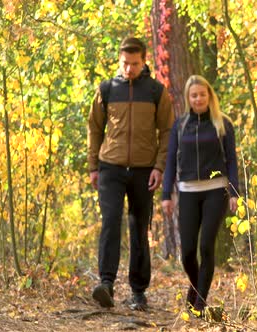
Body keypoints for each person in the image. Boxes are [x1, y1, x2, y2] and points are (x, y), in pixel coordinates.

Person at [87, 37, 173, 311]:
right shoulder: (107, 89)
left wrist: (159, 167)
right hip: (110, 167)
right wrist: (92, 166)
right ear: (119, 60)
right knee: (110, 223)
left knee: (139, 228)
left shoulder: (156, 92)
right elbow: (94, 129)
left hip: (143, 170)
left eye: (134, 64)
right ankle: (106, 284)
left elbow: (168, 132)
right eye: (125, 63)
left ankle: (138, 292)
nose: (129, 68)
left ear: (144, 61)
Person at [161, 75, 239, 315]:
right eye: (193, 95)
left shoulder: (222, 123)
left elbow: (232, 161)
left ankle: (200, 303)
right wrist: (166, 194)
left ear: (209, 96)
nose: (198, 99)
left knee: (206, 246)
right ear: (188, 98)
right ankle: (195, 287)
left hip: (216, 190)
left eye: (202, 94)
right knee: (186, 253)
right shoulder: (180, 125)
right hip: (187, 193)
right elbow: (171, 161)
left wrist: (235, 192)